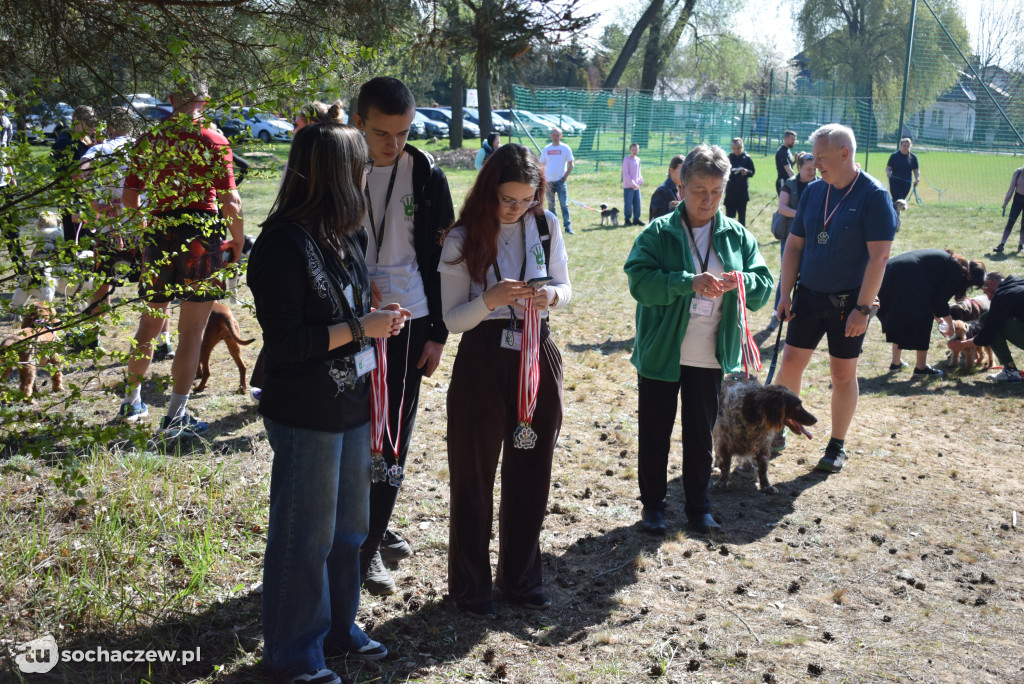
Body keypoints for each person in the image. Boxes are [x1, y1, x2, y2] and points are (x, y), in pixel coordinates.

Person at [249, 122, 405, 684]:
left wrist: (370, 308)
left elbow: (347, 310)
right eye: (361, 166)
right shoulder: (281, 244)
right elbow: (286, 343)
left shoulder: (346, 235)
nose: (368, 175)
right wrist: (360, 325)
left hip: (353, 405)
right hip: (306, 412)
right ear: (338, 174)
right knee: (305, 536)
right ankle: (293, 658)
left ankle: (340, 629)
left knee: (348, 532)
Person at [439, 143, 571, 618]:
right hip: (482, 359)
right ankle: (471, 588)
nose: (517, 209)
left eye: (527, 199)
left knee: (531, 471)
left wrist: (550, 297)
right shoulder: (461, 239)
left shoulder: (546, 224)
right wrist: (490, 300)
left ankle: (520, 578)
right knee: (473, 476)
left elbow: (565, 285)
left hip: (537, 350)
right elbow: (452, 320)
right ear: (488, 191)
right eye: (507, 200)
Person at [624, 143, 773, 535]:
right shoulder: (659, 232)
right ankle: (653, 507)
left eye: (717, 192)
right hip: (662, 353)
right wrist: (685, 283)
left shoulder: (737, 236)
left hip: (710, 356)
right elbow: (640, 282)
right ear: (681, 188)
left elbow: (762, 286)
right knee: (654, 433)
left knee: (701, 436)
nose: (708, 201)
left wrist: (741, 282)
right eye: (699, 191)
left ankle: (698, 507)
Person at [351, 76, 455, 596]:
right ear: (357, 125)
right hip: (348, 322)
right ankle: (359, 528)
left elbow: (444, 259)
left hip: (408, 320)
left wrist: (437, 331)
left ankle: (370, 546)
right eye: (382, 134)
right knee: (353, 430)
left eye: (404, 132)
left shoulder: (426, 172)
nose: (394, 144)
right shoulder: (338, 167)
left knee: (394, 430)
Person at [119, 80, 245, 436]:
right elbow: (231, 202)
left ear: (172, 100)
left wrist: (145, 232)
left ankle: (130, 402)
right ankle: (175, 416)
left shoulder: (149, 140)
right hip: (201, 237)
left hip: (159, 231)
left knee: (148, 324)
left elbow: (129, 199)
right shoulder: (213, 140)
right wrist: (237, 241)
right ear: (205, 101)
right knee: (191, 333)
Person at [773, 124, 896, 473]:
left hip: (848, 304)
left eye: (822, 158)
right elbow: (794, 246)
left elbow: (880, 258)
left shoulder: (874, 196)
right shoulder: (812, 192)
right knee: (790, 364)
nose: (815, 164)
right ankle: (780, 426)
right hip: (808, 296)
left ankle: (836, 444)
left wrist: (862, 308)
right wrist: (785, 293)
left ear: (845, 154)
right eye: (814, 157)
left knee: (842, 373)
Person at [876, 249, 985, 376]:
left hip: (887, 273)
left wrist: (939, 319)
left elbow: (933, 298)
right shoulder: (957, 271)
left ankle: (895, 363)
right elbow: (939, 302)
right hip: (904, 278)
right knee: (924, 319)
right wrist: (950, 325)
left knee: (899, 316)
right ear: (970, 278)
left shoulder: (949, 261)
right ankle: (921, 368)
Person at [765, 152, 817, 333]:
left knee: (808, 275)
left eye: (814, 168)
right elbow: (782, 208)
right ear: (799, 168)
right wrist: (803, 215)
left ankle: (802, 315)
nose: (813, 172)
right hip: (791, 237)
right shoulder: (790, 184)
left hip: (814, 237)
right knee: (787, 275)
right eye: (809, 169)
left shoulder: (821, 184)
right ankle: (776, 314)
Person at [948, 272, 1024, 383]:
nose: (988, 299)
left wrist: (961, 345)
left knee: (986, 319)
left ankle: (1010, 371)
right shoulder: (1018, 284)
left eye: (985, 292)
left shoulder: (1002, 295)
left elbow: (988, 334)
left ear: (991, 283)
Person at [51, 105, 97, 243]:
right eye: (88, 121)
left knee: (91, 243)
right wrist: (75, 206)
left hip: (90, 199)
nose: (92, 125)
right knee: (76, 244)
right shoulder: (65, 142)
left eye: (93, 121)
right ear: (77, 121)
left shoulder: (87, 140)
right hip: (75, 204)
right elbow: (65, 178)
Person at [541, 127, 574, 234]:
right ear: (550, 136)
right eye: (553, 135)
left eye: (557, 135)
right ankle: (554, 227)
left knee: (564, 204)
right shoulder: (546, 149)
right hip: (549, 182)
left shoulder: (565, 148)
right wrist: (544, 178)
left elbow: (571, 165)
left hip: (560, 182)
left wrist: (564, 178)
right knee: (551, 206)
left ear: (561, 136)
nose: (555, 137)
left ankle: (567, 226)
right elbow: (541, 165)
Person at [724, 138, 755, 226]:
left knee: (742, 216)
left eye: (738, 148)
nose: (736, 151)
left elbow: (752, 172)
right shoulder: (729, 158)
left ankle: (741, 234)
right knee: (729, 216)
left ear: (742, 148)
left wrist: (747, 172)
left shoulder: (747, 158)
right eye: (734, 149)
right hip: (731, 191)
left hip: (742, 191)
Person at [995, 165, 1024, 254]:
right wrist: (1005, 203)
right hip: (1017, 201)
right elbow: (1011, 189)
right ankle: (1002, 244)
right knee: (1010, 222)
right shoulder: (1018, 173)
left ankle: (1021, 245)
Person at [885, 138, 920, 208]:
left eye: (908, 146)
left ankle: (895, 215)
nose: (906, 147)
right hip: (895, 181)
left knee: (902, 200)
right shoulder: (894, 156)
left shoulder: (913, 157)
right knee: (898, 199)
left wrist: (917, 178)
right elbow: (888, 168)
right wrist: (888, 173)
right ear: (900, 146)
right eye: (904, 145)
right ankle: (896, 217)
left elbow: (916, 170)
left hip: (907, 182)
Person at [649, 154, 684, 220]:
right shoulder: (661, 191)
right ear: (671, 170)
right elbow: (658, 221)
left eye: (685, 170)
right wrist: (674, 209)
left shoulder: (683, 189)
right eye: (681, 169)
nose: (684, 173)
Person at [621, 142, 644, 226]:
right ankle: (627, 219)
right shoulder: (626, 160)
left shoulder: (638, 160)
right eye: (632, 149)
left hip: (637, 187)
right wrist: (633, 184)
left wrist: (640, 181)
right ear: (629, 150)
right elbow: (626, 174)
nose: (634, 151)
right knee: (628, 203)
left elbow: (639, 172)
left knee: (637, 202)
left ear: (638, 150)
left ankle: (636, 219)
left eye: (636, 149)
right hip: (629, 186)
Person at [775, 129, 796, 195]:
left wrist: (795, 161)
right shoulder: (782, 152)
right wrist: (797, 180)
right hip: (783, 182)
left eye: (794, 139)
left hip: (788, 181)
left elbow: (789, 165)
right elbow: (788, 169)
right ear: (785, 138)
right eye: (792, 139)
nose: (794, 141)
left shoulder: (787, 150)